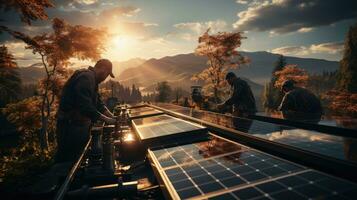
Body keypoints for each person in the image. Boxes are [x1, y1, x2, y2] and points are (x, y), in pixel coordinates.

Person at [55, 59, 117, 164]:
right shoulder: (86, 78)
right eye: (107, 74)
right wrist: (107, 120)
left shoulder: (92, 79)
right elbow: (84, 106)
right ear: (103, 69)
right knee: (69, 161)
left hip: (78, 127)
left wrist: (113, 117)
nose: (105, 78)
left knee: (77, 159)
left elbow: (99, 104)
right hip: (71, 127)